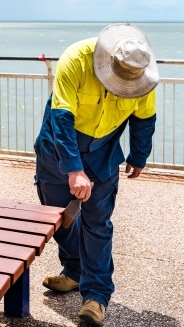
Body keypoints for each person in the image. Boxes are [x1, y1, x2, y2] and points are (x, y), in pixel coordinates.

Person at [34, 24, 158, 326]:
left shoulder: (142, 72)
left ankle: (96, 296)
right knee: (58, 216)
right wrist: (74, 169)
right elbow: (60, 118)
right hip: (57, 149)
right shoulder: (75, 58)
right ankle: (74, 271)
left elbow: (144, 118)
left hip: (103, 152)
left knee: (97, 224)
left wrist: (139, 155)